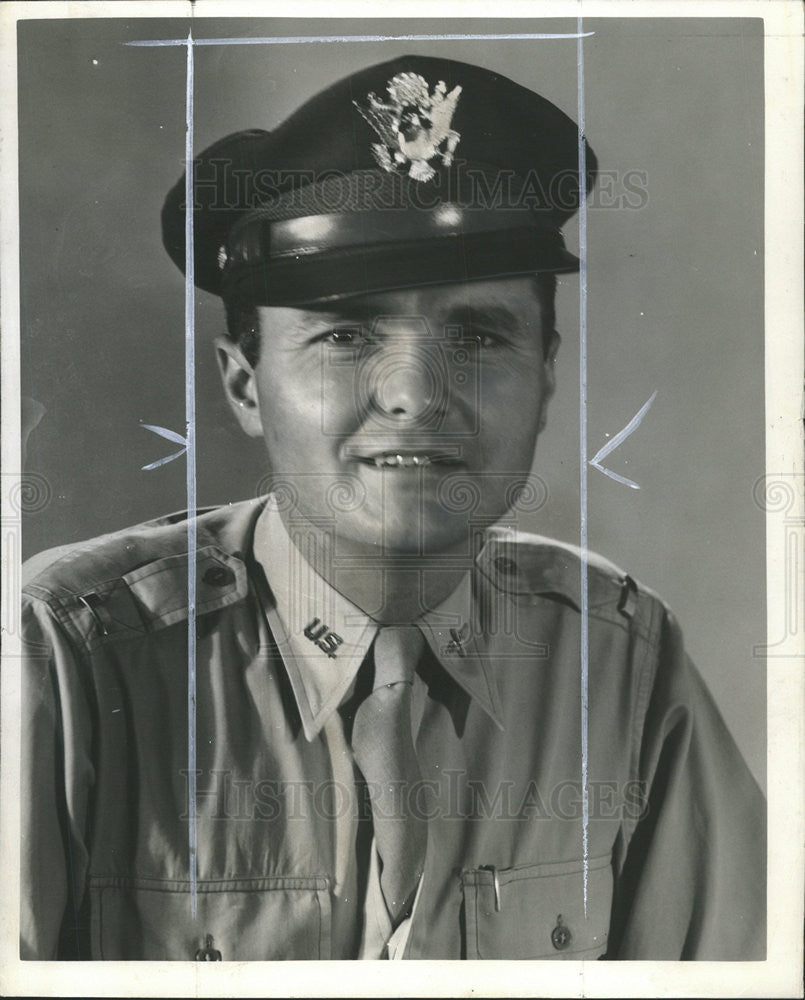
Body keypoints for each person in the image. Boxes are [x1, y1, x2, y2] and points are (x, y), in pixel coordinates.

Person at [20, 53, 765, 961]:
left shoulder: (617, 661)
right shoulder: (65, 655)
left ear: (544, 379)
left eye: (478, 334)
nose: (415, 394)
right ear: (245, 386)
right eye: (344, 334)